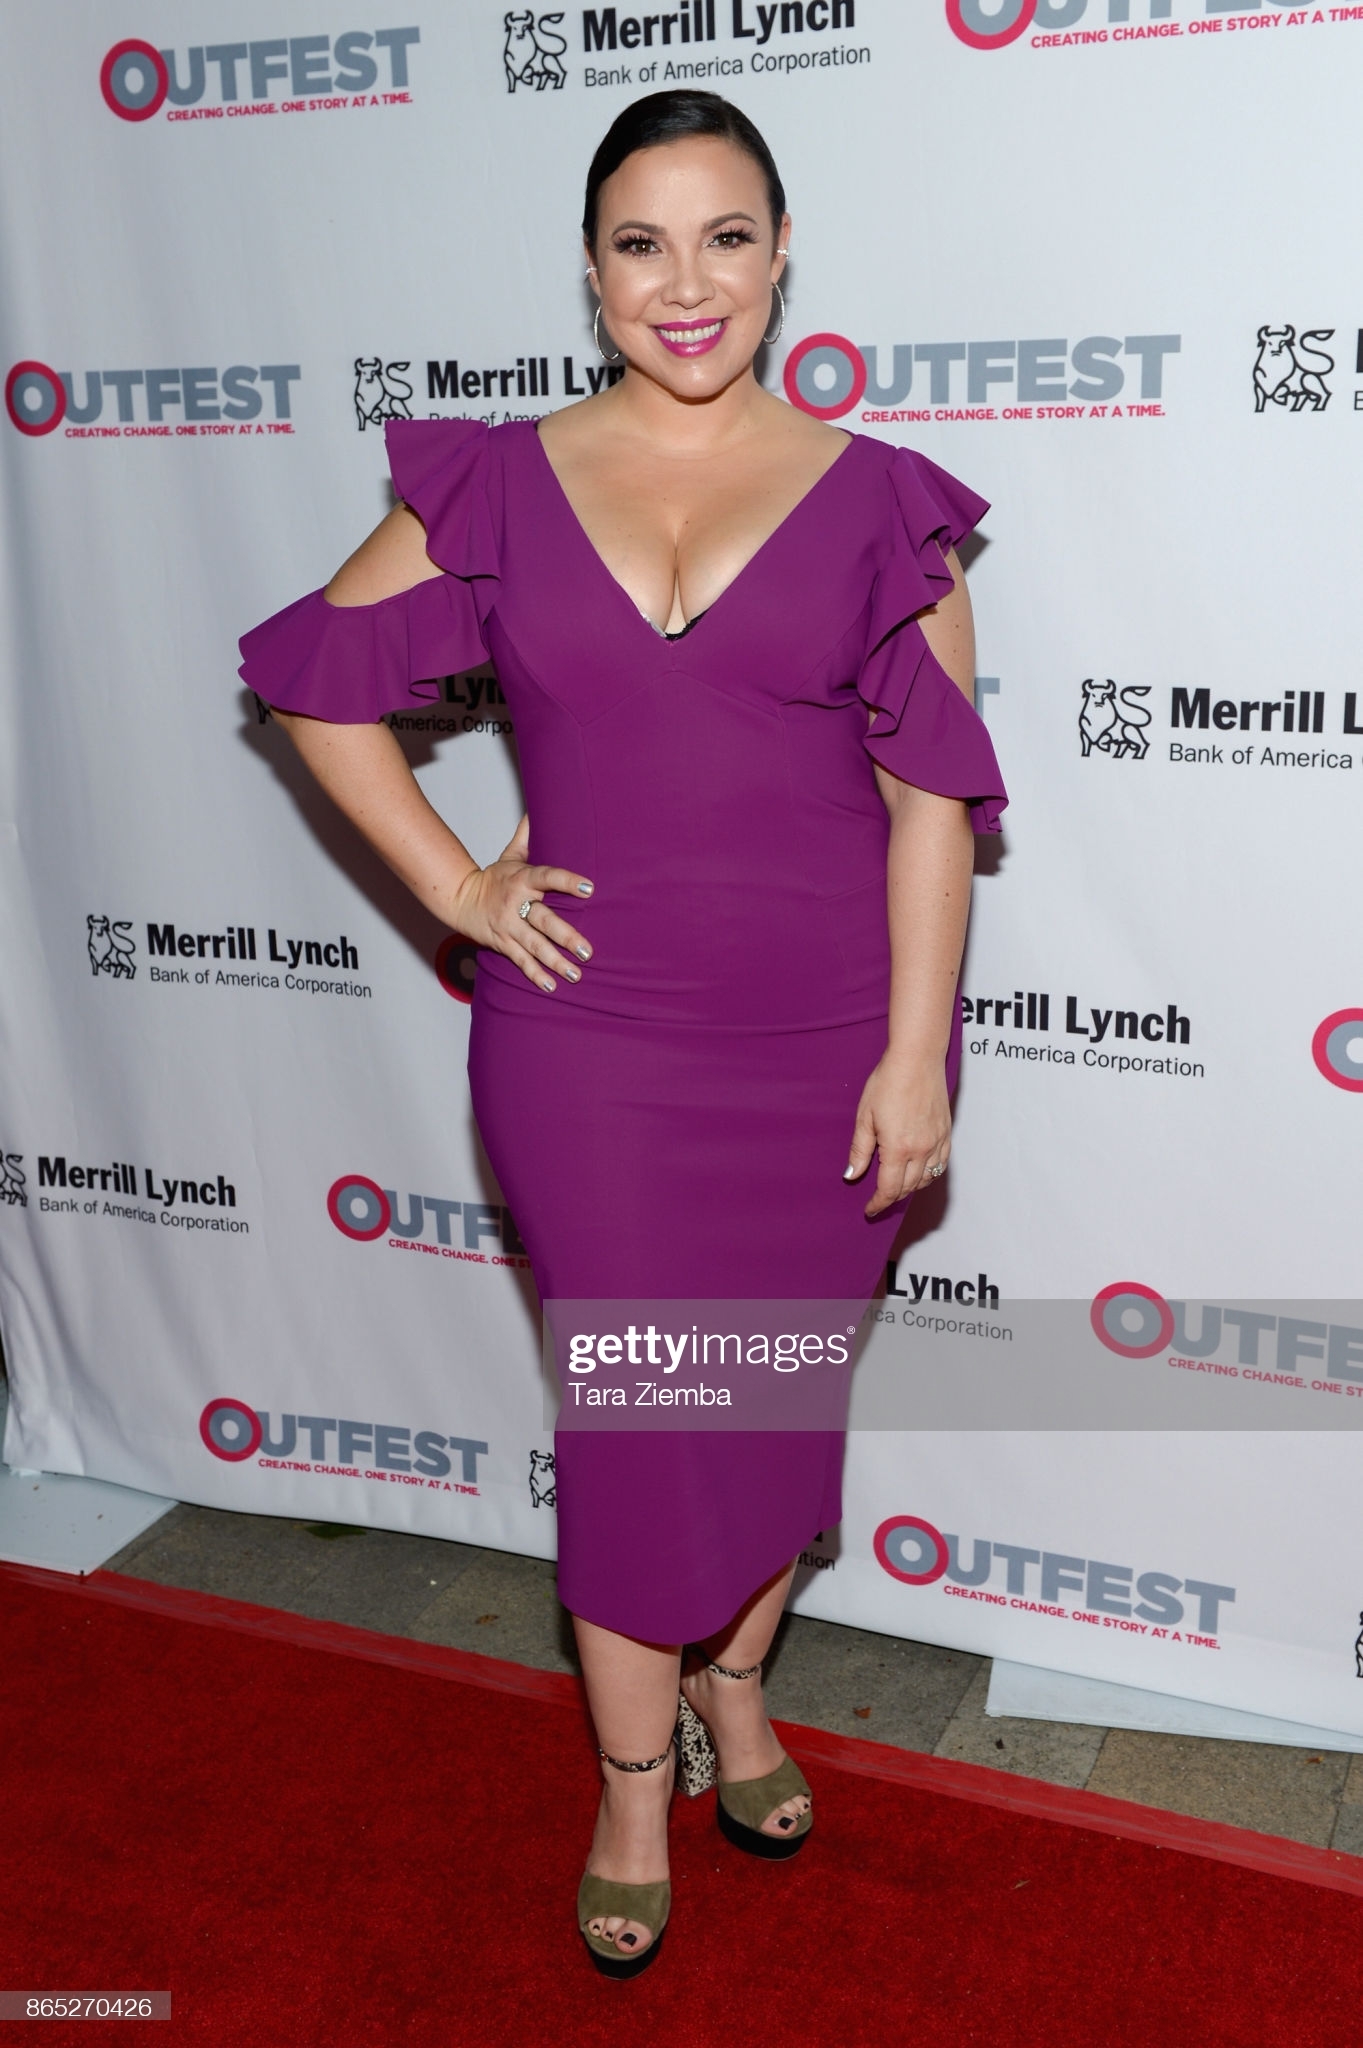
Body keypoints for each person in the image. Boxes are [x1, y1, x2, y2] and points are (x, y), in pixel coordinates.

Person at [239, 89, 1006, 1977]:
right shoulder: (498, 484)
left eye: (727, 237)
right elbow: (314, 684)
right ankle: (633, 1787)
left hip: (827, 1040)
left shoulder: (881, 502)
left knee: (768, 1396)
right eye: (642, 244)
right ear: (589, 274)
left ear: (781, 254)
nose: (688, 284)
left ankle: (737, 1689)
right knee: (644, 1413)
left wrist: (916, 1058)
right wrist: (458, 884)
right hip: (589, 1050)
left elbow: (932, 809)